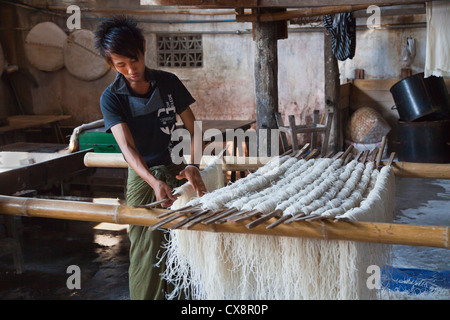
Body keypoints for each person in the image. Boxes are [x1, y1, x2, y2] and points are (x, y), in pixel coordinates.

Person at [94, 15, 206, 300]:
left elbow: (195, 128)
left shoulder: (168, 83)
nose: (131, 70)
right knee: (146, 249)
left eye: (135, 60)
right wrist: (152, 181)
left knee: (182, 244)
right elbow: (127, 148)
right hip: (143, 178)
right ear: (110, 63)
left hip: (177, 170)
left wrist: (193, 164)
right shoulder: (112, 97)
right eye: (121, 65)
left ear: (143, 48)